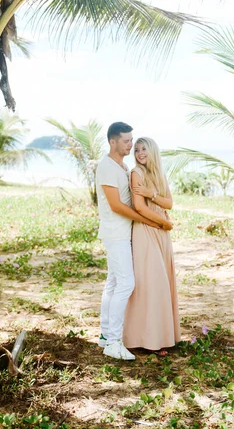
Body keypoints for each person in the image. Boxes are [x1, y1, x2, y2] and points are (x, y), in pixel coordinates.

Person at [96, 122, 173, 361]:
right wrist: (152, 221)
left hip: (125, 232)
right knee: (126, 284)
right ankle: (115, 342)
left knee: (113, 283)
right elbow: (116, 205)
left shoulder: (122, 166)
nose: (131, 145)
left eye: (133, 141)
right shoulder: (107, 166)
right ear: (113, 142)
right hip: (116, 233)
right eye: (127, 141)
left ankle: (105, 335)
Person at [123, 137, 181, 354]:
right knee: (151, 283)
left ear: (152, 150)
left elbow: (169, 203)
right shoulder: (135, 173)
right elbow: (139, 207)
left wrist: (152, 194)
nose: (139, 153)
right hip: (147, 229)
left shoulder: (159, 174)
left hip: (161, 233)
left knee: (163, 282)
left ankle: (163, 336)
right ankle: (148, 340)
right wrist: (162, 222)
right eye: (136, 149)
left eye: (143, 148)